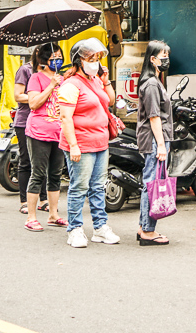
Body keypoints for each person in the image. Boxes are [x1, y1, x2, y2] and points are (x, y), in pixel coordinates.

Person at [58, 38, 119, 248]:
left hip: (101, 142)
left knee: (97, 186)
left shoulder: (96, 80)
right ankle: (74, 229)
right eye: (91, 58)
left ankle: (100, 227)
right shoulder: (70, 85)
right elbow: (65, 118)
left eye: (97, 58)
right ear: (79, 61)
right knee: (79, 186)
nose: (95, 62)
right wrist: (73, 145)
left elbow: (109, 101)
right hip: (81, 144)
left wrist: (106, 80)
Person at [23, 43, 65, 229]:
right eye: (53, 57)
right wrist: (51, 85)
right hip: (39, 131)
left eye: (59, 56)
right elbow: (33, 103)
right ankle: (31, 217)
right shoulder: (35, 78)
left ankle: (53, 215)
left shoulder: (63, 79)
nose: (57, 60)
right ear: (44, 60)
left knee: (55, 175)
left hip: (60, 132)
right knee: (38, 173)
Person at [136, 41, 173, 245]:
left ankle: (144, 226)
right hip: (154, 139)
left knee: (151, 182)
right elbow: (154, 117)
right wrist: (160, 145)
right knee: (152, 183)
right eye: (163, 55)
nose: (166, 58)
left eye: (168, 54)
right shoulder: (151, 84)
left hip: (155, 138)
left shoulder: (155, 81)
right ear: (153, 59)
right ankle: (148, 231)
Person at [12, 53, 49, 215]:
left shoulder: (50, 73)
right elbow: (18, 95)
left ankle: (43, 199)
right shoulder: (25, 70)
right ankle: (24, 201)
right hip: (25, 121)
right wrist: (40, 96)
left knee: (43, 163)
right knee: (26, 160)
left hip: (45, 121)